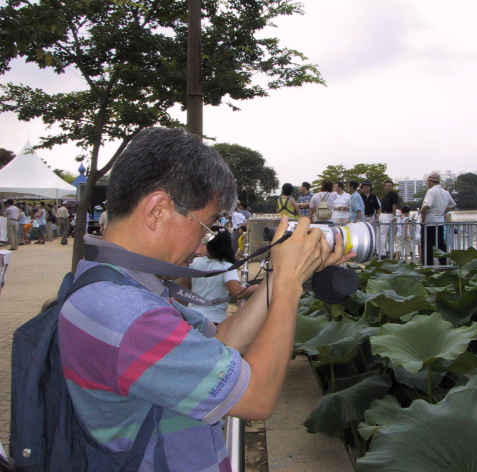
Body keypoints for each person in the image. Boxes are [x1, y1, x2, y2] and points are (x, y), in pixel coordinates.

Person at [57, 127, 352, 471]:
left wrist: (282, 275)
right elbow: (256, 397)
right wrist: (288, 285)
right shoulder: (127, 314)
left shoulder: (112, 284)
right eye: (206, 225)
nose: (202, 246)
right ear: (157, 210)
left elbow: (222, 340)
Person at [179, 226, 259, 324]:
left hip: (192, 317)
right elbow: (237, 292)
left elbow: (182, 290)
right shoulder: (227, 267)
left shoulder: (194, 262)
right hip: (214, 320)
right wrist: (255, 287)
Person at [419, 172, 456, 265]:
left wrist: (421, 211)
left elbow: (427, 204)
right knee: (440, 245)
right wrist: (443, 211)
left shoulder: (431, 191)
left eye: (428, 181)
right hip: (440, 222)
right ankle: (445, 264)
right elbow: (452, 204)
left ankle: (427, 265)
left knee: (427, 246)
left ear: (431, 181)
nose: (427, 183)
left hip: (429, 222)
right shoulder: (445, 192)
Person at [378, 180, 398, 258]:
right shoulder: (385, 196)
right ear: (384, 187)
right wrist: (378, 216)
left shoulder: (394, 194)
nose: (388, 187)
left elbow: (394, 206)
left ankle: (383, 253)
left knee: (383, 235)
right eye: (387, 186)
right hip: (383, 215)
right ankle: (386, 251)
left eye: (390, 186)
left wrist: (394, 216)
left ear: (392, 187)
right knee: (381, 234)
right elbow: (381, 207)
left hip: (388, 215)